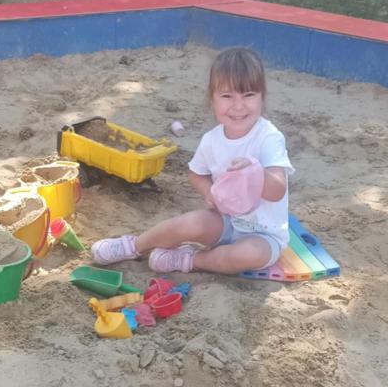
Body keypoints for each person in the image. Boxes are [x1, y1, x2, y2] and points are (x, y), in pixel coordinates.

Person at [92, 47, 294, 275]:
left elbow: (277, 190)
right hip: (226, 221)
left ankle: (192, 259)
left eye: (248, 95)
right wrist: (208, 192)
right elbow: (196, 173)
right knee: (190, 223)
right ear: (212, 99)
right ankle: (134, 245)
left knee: (246, 255)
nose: (238, 106)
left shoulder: (268, 137)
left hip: (264, 235)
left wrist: (255, 172)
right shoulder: (212, 140)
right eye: (227, 96)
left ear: (262, 97)